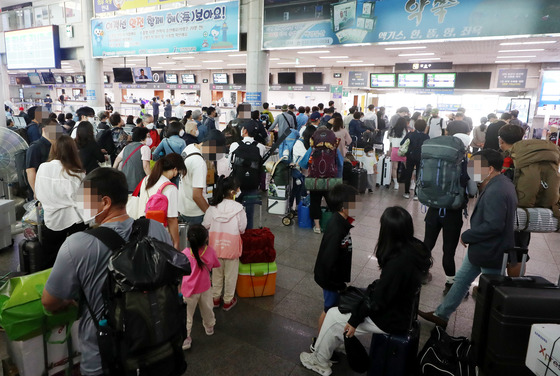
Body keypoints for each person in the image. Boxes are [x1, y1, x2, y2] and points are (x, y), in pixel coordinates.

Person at [41, 168, 175, 376]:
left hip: (104, 359)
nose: (82, 207)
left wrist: (67, 302)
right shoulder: (156, 229)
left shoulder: (76, 245)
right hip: (158, 347)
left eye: (86, 201)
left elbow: (49, 302)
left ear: (105, 202)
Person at [302, 205, 431, 376]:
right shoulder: (414, 248)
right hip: (401, 310)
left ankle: (319, 361)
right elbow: (386, 289)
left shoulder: (397, 263)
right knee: (347, 302)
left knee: (333, 315)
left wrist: (355, 320)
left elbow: (378, 300)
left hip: (391, 318)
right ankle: (334, 343)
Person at [419, 149, 518, 329]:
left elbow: (494, 225)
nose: (472, 170)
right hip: (481, 249)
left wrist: (467, 235)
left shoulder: (496, 189)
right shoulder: (502, 183)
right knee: (462, 281)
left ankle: (491, 330)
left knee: (491, 293)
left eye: (476, 166)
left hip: (491, 250)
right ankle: (441, 315)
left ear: (490, 169)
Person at [311, 184, 357, 343]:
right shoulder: (336, 227)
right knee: (329, 310)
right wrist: (336, 283)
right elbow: (329, 258)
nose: (357, 205)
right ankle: (319, 344)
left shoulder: (342, 222)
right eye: (354, 202)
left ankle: (327, 341)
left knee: (332, 308)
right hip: (330, 279)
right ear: (343, 206)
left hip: (335, 278)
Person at [35, 134, 87, 268]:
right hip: (75, 221)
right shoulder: (77, 172)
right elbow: (89, 204)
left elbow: (38, 193)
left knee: (50, 259)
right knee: (77, 259)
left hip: (51, 219)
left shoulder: (42, 168)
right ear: (73, 151)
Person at [202, 175, 247, 311]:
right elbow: (242, 229)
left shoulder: (213, 208)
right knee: (230, 276)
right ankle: (228, 300)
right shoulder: (239, 208)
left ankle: (215, 298)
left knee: (216, 274)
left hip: (215, 248)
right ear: (233, 192)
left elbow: (205, 225)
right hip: (232, 248)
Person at [181, 224, 221, 350]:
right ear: (206, 239)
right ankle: (209, 327)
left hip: (188, 290)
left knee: (187, 315)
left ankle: (185, 339)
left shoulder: (185, 254)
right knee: (208, 309)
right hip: (205, 288)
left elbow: (180, 270)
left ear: (188, 239)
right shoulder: (210, 252)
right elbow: (215, 265)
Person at [137, 153, 186, 250]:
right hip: (161, 234)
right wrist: (176, 242)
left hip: (142, 230)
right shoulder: (170, 188)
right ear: (175, 170)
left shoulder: (147, 180)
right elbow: (172, 219)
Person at [228, 121, 266, 229]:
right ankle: (248, 235)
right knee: (249, 214)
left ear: (244, 131)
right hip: (253, 185)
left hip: (236, 185)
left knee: (235, 212)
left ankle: (235, 235)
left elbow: (229, 165)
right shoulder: (261, 147)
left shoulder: (235, 145)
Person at [26, 119, 60, 198]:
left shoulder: (56, 146)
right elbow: (30, 171)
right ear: (44, 129)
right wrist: (35, 191)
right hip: (41, 189)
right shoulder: (35, 147)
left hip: (53, 189)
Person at [113, 127, 152, 193]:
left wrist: (113, 172)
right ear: (142, 137)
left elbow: (117, 160)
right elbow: (146, 167)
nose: (149, 138)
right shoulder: (145, 148)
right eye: (148, 136)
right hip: (138, 183)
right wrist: (152, 180)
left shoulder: (126, 147)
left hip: (126, 183)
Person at [400, 119, 429, 199]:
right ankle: (416, 194)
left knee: (408, 174)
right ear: (424, 127)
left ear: (415, 126)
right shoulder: (426, 136)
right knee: (419, 175)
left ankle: (406, 193)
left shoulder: (410, 134)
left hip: (410, 156)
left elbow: (402, 143)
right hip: (421, 157)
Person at [389, 117, 408, 190]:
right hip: (403, 150)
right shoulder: (405, 131)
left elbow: (390, 142)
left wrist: (389, 151)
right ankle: (412, 183)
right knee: (408, 167)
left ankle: (396, 183)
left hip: (394, 149)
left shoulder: (392, 130)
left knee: (394, 168)